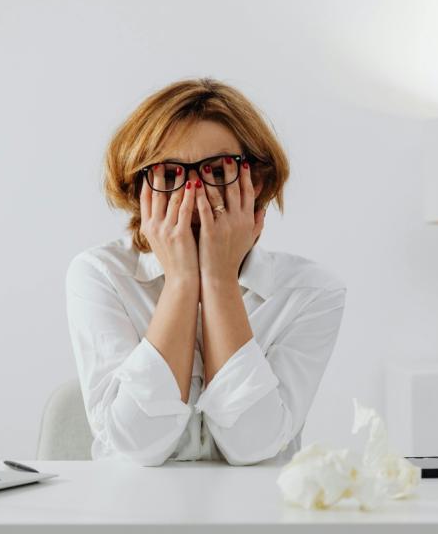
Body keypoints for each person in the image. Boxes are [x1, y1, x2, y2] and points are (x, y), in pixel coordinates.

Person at [65, 77, 347, 466]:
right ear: (138, 187)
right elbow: (137, 445)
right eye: (169, 174)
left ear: (257, 181)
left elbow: (252, 445)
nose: (195, 194)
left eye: (218, 170)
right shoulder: (100, 274)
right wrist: (182, 283)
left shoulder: (310, 291)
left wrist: (218, 280)